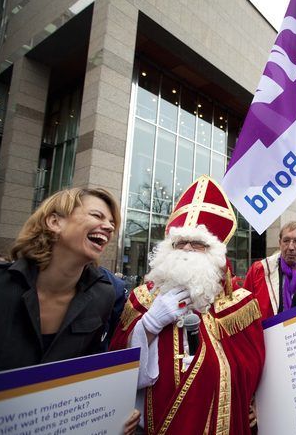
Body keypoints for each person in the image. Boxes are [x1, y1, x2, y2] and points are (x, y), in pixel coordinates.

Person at [110, 175, 264, 434]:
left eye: (198, 244)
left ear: (215, 253)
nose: (188, 249)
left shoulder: (241, 304)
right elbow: (116, 372)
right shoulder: (142, 299)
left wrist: (260, 404)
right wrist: (149, 325)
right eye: (180, 243)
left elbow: (257, 370)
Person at [0, 187, 139, 434]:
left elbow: (90, 375)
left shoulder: (104, 296)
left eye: (111, 222)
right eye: (97, 216)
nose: (108, 227)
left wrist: (115, 414)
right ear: (54, 221)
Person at [244, 221, 296, 319]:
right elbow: (245, 311)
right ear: (279, 243)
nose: (290, 247)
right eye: (286, 241)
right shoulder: (259, 271)